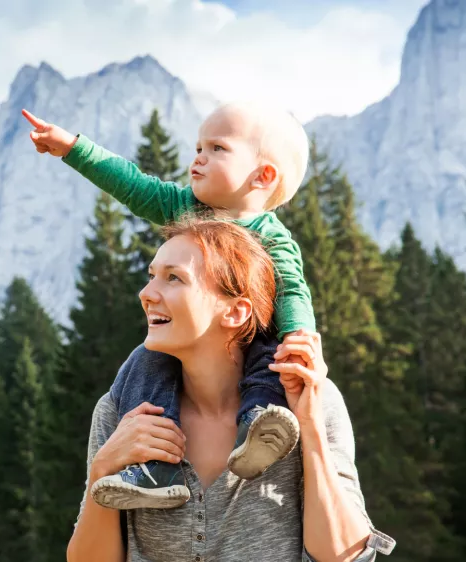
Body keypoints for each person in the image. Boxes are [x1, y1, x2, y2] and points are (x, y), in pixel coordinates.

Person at [23, 101, 314, 507]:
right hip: (185, 341)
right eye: (198, 147)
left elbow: (293, 293)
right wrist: (73, 147)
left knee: (271, 358)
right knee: (145, 364)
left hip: (249, 337)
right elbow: (131, 184)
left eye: (217, 148)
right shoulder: (184, 207)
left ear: (263, 176)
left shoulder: (272, 238)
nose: (198, 157)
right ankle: (155, 466)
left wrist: (300, 337)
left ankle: (258, 429)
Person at [66, 217, 394, 561]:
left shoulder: (312, 401)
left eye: (174, 277)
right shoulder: (121, 411)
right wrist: (102, 470)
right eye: (151, 276)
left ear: (236, 311)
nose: (146, 294)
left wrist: (309, 428)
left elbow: (346, 556)